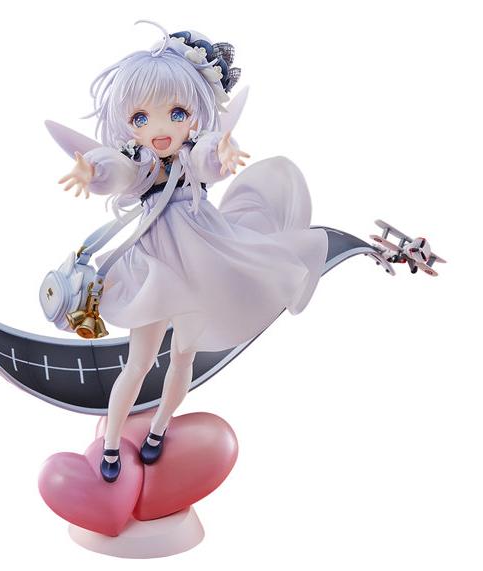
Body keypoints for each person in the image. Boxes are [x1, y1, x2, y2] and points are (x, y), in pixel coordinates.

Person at [54, 22, 329, 482]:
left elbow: (207, 160)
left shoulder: (191, 154)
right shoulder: (141, 161)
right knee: (139, 362)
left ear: (194, 113)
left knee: (183, 356)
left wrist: (221, 155)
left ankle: (160, 428)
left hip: (201, 261)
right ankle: (111, 444)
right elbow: (118, 169)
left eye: (176, 113)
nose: (159, 129)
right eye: (141, 118)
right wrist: (95, 174)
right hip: (155, 268)